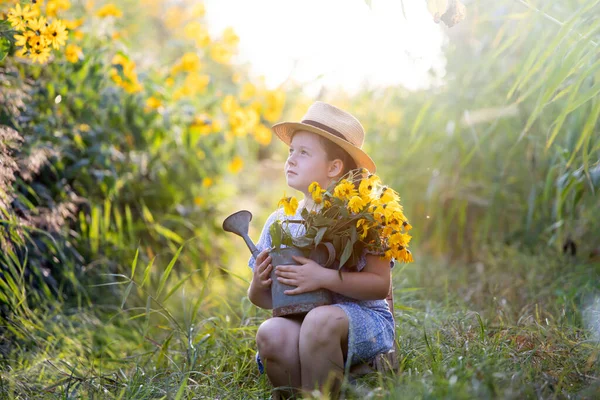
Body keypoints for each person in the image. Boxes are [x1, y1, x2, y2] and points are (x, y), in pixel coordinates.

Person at [247, 101, 395, 399]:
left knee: (320, 320)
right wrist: (259, 282)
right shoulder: (280, 221)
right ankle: (300, 393)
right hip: (299, 322)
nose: (291, 159)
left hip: (358, 319)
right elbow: (262, 299)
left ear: (334, 167)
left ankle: (328, 389)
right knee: (271, 332)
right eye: (291, 151)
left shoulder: (363, 215)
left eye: (303, 152)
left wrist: (322, 277)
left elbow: (380, 286)